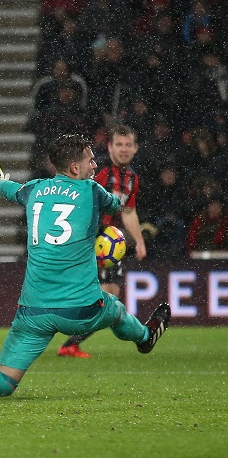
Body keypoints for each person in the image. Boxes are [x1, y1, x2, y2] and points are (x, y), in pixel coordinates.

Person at [0, 134, 171, 399]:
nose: (95, 166)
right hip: (80, 309)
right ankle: (144, 338)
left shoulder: (35, 189)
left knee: (3, 380)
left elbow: (7, 188)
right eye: (90, 160)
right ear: (75, 168)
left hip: (33, 311)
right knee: (115, 308)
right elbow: (115, 203)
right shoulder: (92, 190)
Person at [58, 124, 147, 358]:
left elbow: (129, 211)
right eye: (119, 144)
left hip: (109, 243)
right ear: (109, 147)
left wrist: (139, 241)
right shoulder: (98, 174)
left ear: (136, 148)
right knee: (103, 296)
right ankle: (65, 335)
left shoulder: (131, 179)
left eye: (128, 145)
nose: (123, 149)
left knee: (107, 294)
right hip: (91, 240)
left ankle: (69, 338)